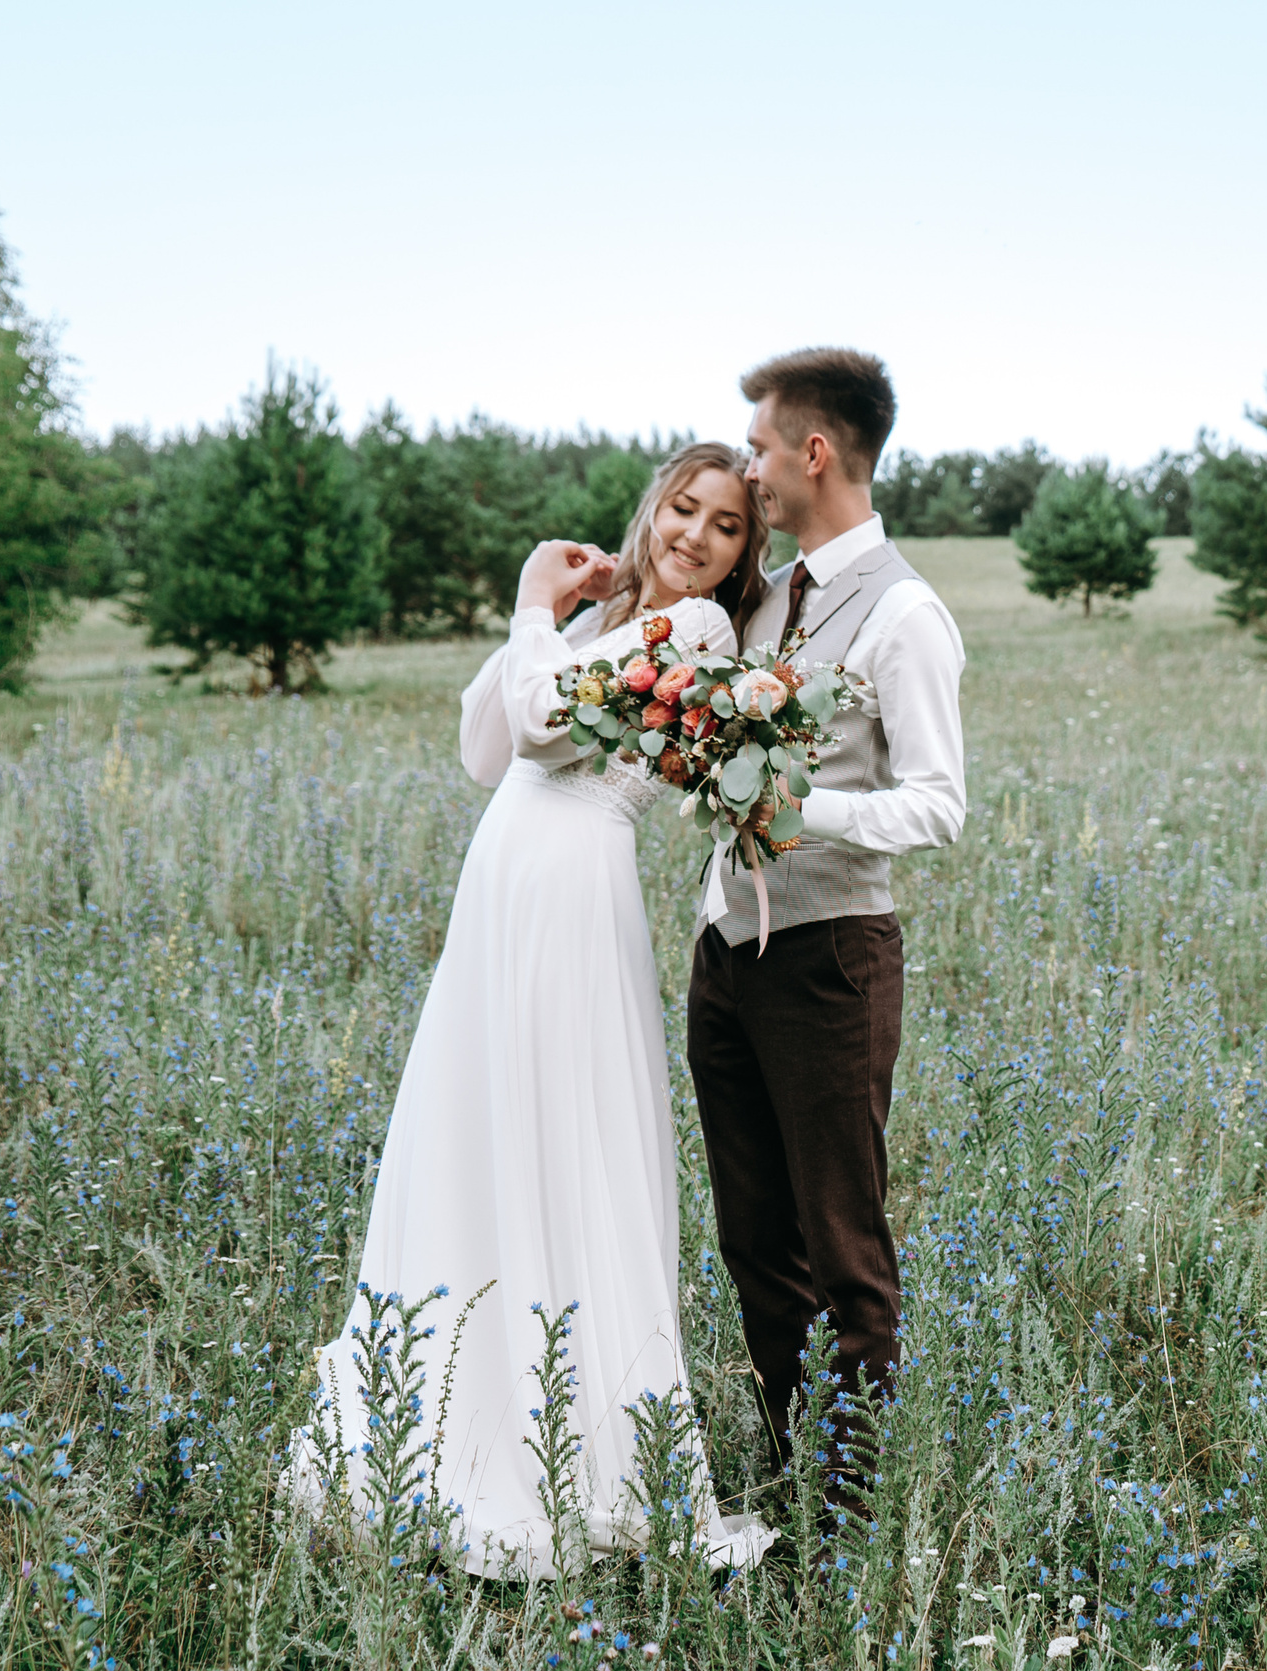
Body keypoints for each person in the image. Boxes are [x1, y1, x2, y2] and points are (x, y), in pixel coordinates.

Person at [294, 443, 774, 1577]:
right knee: (473, 1133)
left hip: (570, 894)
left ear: (744, 555)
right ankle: (449, 1422)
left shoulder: (696, 637)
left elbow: (552, 730)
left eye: (726, 527)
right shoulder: (608, 624)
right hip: (502, 889)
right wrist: (551, 617)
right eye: (683, 508)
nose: (694, 536)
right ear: (654, 503)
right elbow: (484, 745)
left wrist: (524, 607)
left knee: (562, 1144)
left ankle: (576, 1457)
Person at [687, 349, 967, 1505]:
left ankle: (844, 1514)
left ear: (813, 453)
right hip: (727, 957)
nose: (748, 468)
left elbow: (939, 804)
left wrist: (802, 811)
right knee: (753, 1240)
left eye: (756, 447)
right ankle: (786, 1466)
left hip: (831, 963)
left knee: (841, 1247)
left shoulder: (903, 612)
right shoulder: (760, 597)